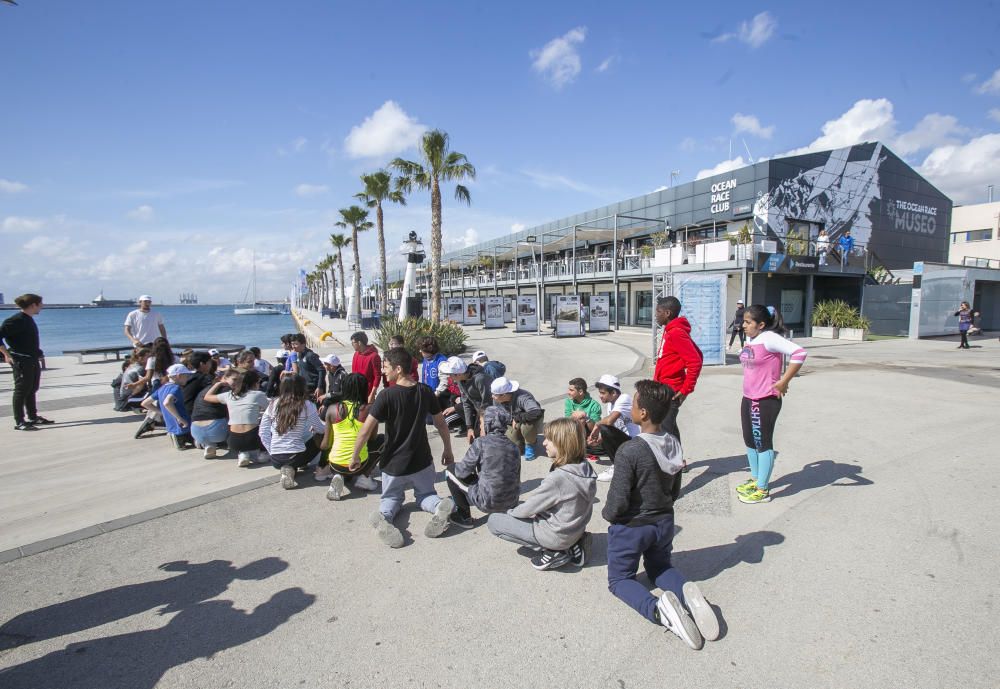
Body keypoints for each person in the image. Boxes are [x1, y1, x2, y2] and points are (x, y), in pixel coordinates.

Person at [603, 379, 719, 649]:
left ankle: (659, 611)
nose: (630, 406)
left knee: (620, 580)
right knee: (660, 567)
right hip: (665, 521)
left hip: (633, 527)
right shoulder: (673, 442)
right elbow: (676, 488)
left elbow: (618, 499)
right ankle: (688, 596)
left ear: (642, 413)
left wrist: (609, 516)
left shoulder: (630, 450)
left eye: (633, 403)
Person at [349, 348, 455, 548]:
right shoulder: (425, 391)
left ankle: (384, 518)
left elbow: (365, 431)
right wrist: (447, 449)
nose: (383, 371)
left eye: (386, 366)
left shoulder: (386, 396)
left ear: (398, 369)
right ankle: (440, 505)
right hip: (422, 461)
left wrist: (355, 456)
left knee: (391, 498)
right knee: (426, 496)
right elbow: (441, 424)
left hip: (393, 464)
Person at [487, 417, 596, 571]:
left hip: (557, 535)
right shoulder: (585, 467)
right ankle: (576, 542)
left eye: (549, 440)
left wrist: (510, 513)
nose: (543, 443)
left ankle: (556, 552)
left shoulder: (559, 478)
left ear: (562, 443)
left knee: (494, 521)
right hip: (576, 527)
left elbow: (529, 508)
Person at [737, 304, 808, 504]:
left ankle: (762, 490)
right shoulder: (753, 338)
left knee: (762, 443)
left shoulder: (770, 338)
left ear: (761, 324)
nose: (744, 325)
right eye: (744, 321)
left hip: (764, 400)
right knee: (750, 441)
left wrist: (784, 381)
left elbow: (799, 353)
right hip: (748, 397)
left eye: (748, 322)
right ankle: (755, 479)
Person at [445, 405, 521, 529]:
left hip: (488, 502)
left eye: (481, 423)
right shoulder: (513, 446)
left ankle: (464, 517)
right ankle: (506, 509)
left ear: (488, 424)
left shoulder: (481, 443)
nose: (479, 427)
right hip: (512, 501)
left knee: (450, 470)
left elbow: (461, 471)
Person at [653, 296, 704, 470]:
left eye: (658, 312)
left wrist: (686, 389)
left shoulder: (676, 333)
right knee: (669, 427)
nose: (656, 315)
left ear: (667, 313)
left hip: (671, 390)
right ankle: (678, 461)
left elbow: (695, 361)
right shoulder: (671, 330)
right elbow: (698, 355)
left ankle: (673, 467)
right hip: (663, 388)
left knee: (665, 430)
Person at [318, 373, 383, 497]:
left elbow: (326, 444)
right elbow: (372, 438)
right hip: (359, 464)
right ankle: (364, 477)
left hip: (335, 464)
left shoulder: (332, 409)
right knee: (382, 440)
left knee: (338, 453)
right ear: (364, 389)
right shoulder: (369, 410)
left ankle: (339, 476)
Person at [259, 375, 325, 489]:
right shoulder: (306, 405)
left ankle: (289, 469)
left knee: (293, 446)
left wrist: (271, 450)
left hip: (275, 458)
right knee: (321, 436)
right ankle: (321, 467)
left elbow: (262, 432)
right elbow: (320, 428)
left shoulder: (272, 404)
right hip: (296, 456)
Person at [0, 293, 53, 431]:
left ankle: (33, 417)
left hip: (32, 359)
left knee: (32, 389)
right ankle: (19, 421)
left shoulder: (28, 319)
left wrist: (38, 353)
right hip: (20, 360)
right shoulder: (15, 320)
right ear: (33, 305)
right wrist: (6, 354)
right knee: (21, 390)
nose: (42, 306)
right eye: (40, 304)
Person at [205, 368, 270, 467]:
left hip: (233, 441)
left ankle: (243, 453)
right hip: (252, 439)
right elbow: (272, 411)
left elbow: (207, 397)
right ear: (255, 383)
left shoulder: (229, 395)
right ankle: (260, 454)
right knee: (267, 422)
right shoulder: (258, 395)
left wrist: (218, 384)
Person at [589, 374, 640, 482]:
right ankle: (621, 464)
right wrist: (599, 441)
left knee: (603, 427)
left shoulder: (623, 398)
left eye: (602, 393)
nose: (600, 396)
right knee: (588, 447)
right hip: (622, 441)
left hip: (634, 441)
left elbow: (608, 422)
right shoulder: (610, 404)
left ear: (613, 393)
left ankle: (617, 467)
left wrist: (597, 425)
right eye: (599, 392)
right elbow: (612, 427)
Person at [439, 355, 495, 443]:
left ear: (458, 374)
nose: (449, 377)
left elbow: (488, 403)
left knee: (486, 439)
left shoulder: (480, 378)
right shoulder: (460, 380)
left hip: (493, 411)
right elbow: (466, 403)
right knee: (475, 438)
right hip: (480, 412)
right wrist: (469, 427)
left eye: (450, 374)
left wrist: (483, 424)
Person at [141, 363, 193, 450]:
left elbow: (145, 403)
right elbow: (167, 403)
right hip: (181, 425)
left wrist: (162, 412)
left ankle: (178, 440)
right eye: (186, 375)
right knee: (187, 444)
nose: (188, 378)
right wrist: (179, 418)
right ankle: (177, 440)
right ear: (179, 376)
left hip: (173, 425)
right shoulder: (176, 388)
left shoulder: (162, 388)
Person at [490, 376, 544, 460]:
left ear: (504, 395)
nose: (492, 396)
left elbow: (537, 412)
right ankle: (521, 440)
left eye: (494, 394)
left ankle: (530, 444)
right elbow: (499, 416)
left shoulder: (523, 397)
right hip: (514, 421)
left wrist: (517, 418)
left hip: (530, 419)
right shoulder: (497, 399)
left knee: (527, 427)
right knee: (514, 447)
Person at [190, 376, 230, 459]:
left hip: (195, 430)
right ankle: (234, 444)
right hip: (217, 432)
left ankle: (208, 444)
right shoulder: (226, 390)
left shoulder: (203, 391)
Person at [350, 331, 383, 404]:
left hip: (367, 394)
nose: (352, 345)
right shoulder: (356, 354)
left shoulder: (374, 356)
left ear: (359, 343)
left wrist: (372, 394)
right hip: (356, 392)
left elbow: (377, 376)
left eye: (353, 343)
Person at [418, 336, 449, 405]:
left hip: (439, 397)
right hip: (428, 395)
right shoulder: (426, 359)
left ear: (429, 349)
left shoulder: (441, 361)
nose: (420, 351)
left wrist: (436, 393)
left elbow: (445, 381)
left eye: (422, 349)